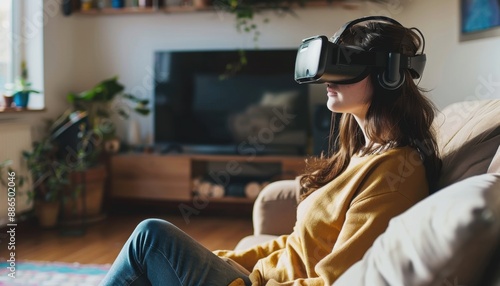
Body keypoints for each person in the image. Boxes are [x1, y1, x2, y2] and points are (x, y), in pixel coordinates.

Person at [100, 16, 441, 286]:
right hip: (256, 278)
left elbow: (339, 280)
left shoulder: (395, 172)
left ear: (390, 75)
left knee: (151, 236)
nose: (327, 78)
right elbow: (298, 245)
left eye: (346, 64)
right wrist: (225, 260)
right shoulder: (363, 153)